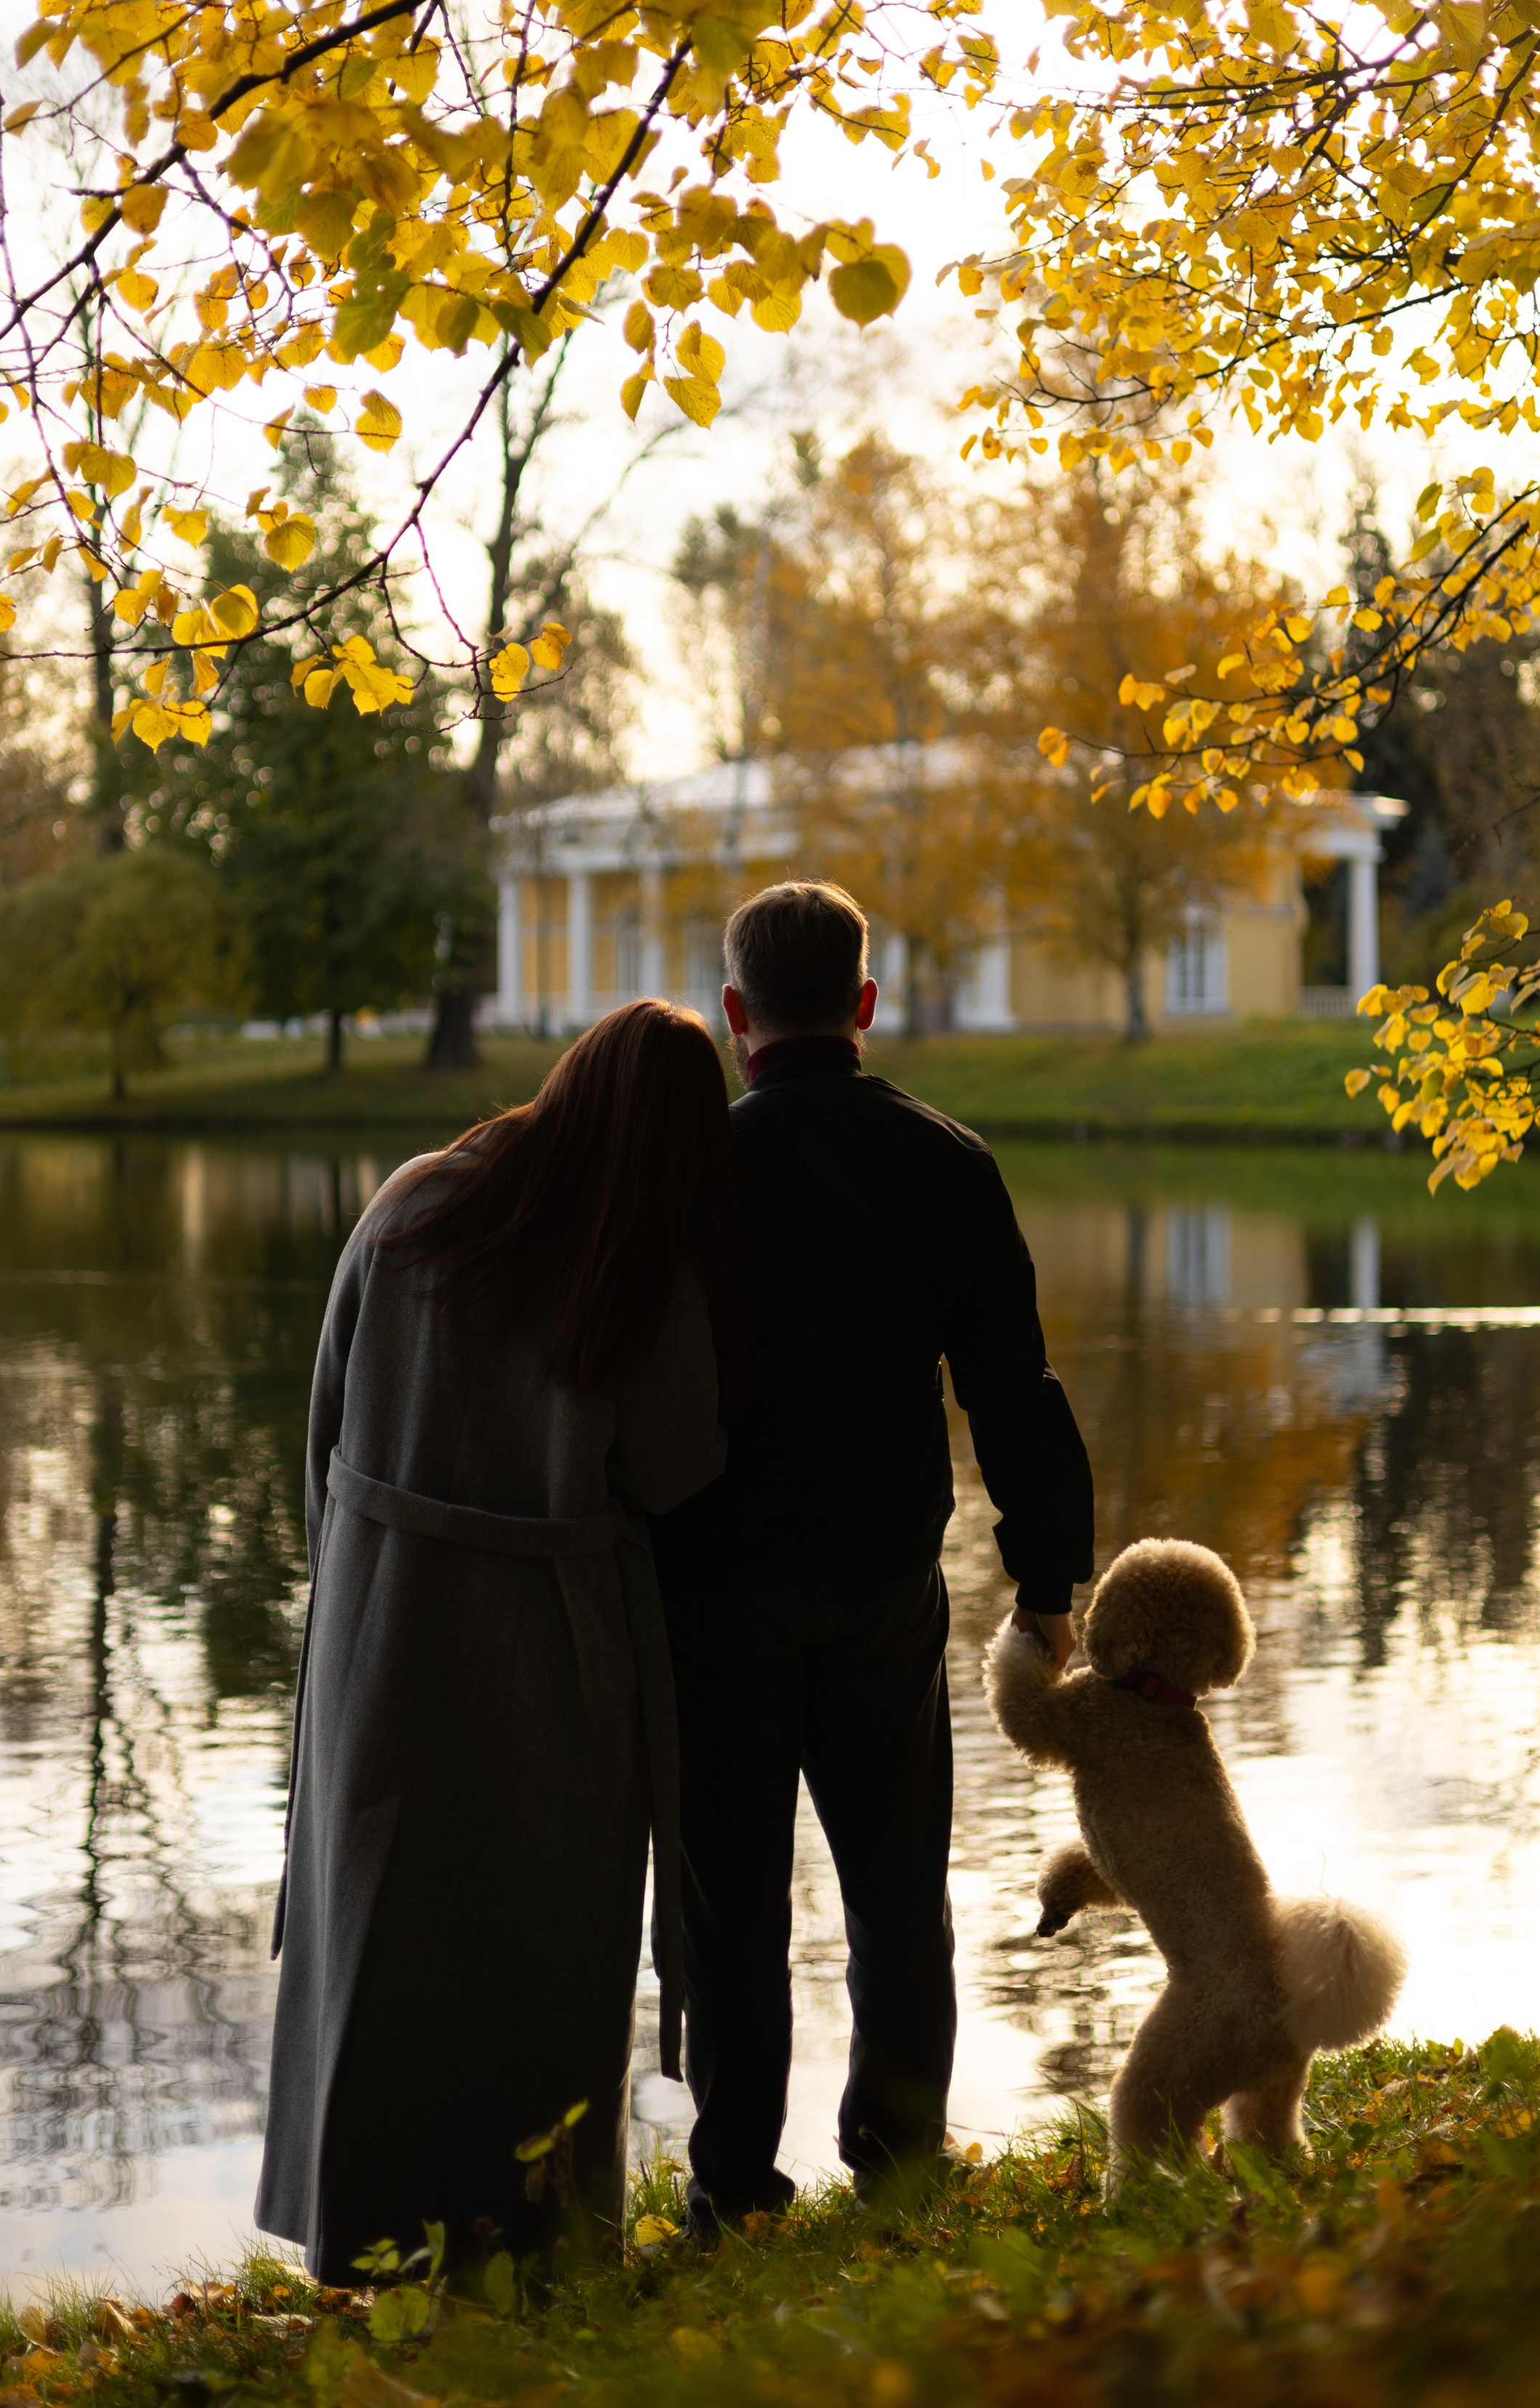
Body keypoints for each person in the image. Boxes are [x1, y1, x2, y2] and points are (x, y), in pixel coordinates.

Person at [256, 1000, 735, 2283]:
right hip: (551, 1640)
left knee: (380, 1926)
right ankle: (532, 2241)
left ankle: (361, 2238)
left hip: (385, 1615)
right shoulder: (633, 1257)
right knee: (542, 1947)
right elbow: (683, 1466)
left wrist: (353, 1582)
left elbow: (324, 1426)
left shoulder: (414, 1200)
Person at [653, 879, 1094, 2226]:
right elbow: (1014, 1390)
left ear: (735, 1017)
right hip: (883, 1589)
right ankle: (898, 2158)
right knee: (899, 1889)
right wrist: (1047, 1580)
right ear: (865, 1004)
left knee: (732, 1903)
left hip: (717, 1590)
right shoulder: (948, 1161)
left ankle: (734, 2182)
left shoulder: (696, 1174)